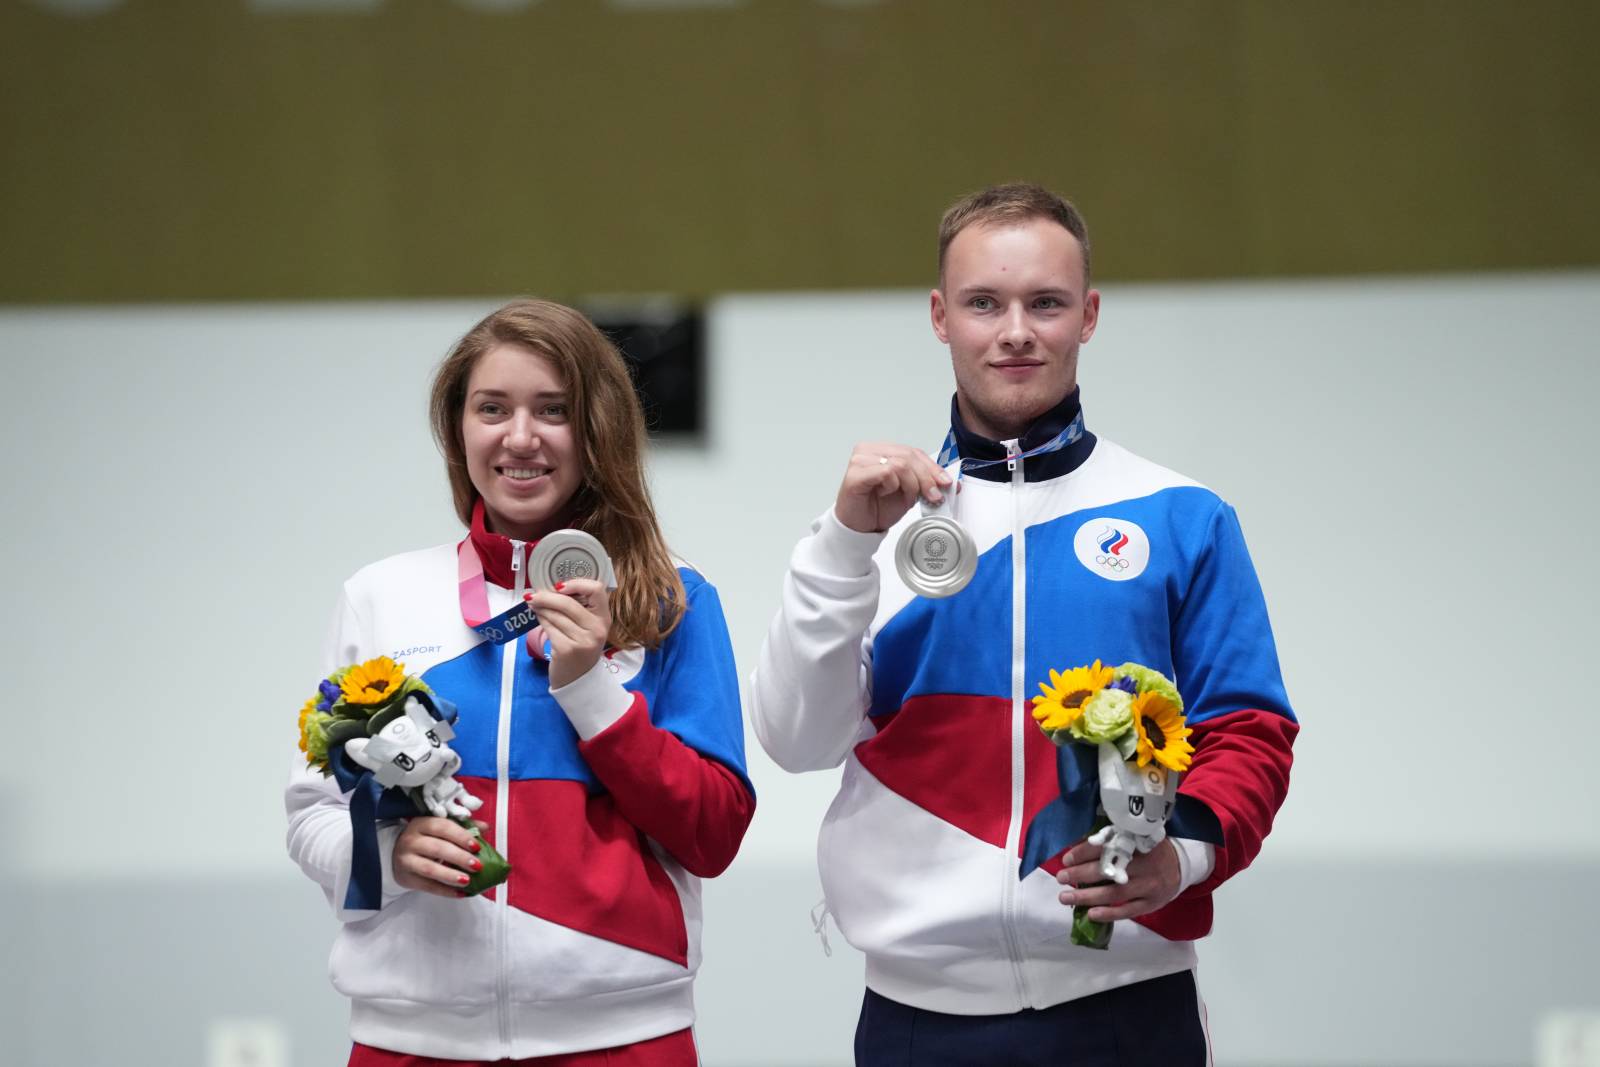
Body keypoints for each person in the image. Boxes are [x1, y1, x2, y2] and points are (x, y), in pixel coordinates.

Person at [750, 184, 1297, 1065]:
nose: (1015, 331)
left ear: (1088, 315)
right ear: (939, 316)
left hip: (1128, 1006)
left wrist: (1186, 854)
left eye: (1045, 303)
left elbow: (1250, 731)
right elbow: (794, 738)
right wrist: (844, 543)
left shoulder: (1181, 517)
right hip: (917, 1015)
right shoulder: (874, 529)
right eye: (983, 303)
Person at [286, 299, 755, 1066]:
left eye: (554, 410)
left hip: (621, 1038)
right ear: (458, 429)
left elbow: (713, 832)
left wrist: (591, 690)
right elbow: (313, 817)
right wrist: (388, 856)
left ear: (597, 429)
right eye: (492, 408)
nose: (520, 437)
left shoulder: (673, 599)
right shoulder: (380, 595)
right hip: (409, 1042)